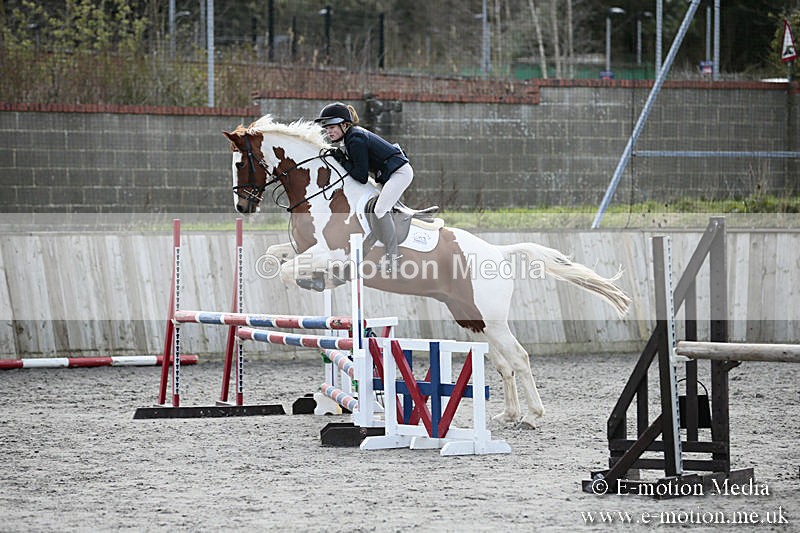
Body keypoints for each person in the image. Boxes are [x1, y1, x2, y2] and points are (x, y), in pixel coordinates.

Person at [314, 102, 412, 272]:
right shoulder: (349, 138)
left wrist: (340, 159)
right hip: (387, 174)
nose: (329, 131)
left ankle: (393, 259)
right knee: (375, 209)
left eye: (332, 127)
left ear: (345, 125)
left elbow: (360, 176)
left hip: (399, 173)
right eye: (327, 128)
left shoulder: (355, 139)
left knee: (380, 210)